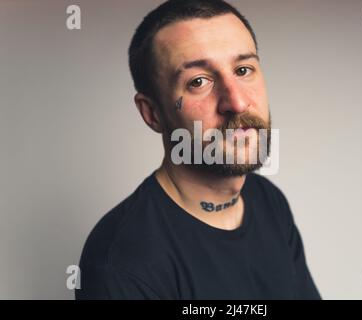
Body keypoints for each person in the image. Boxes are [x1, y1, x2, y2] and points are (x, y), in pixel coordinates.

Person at [76, 0, 321, 300]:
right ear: (152, 112)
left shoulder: (268, 201)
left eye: (243, 69)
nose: (237, 102)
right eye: (198, 82)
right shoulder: (122, 263)